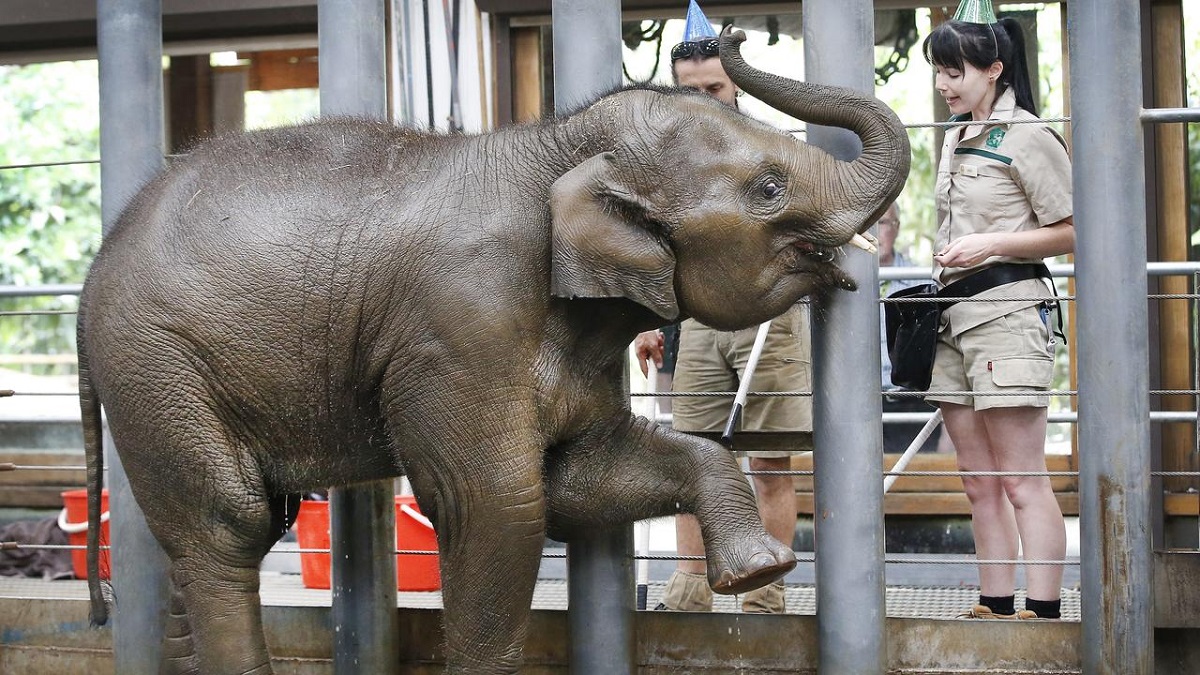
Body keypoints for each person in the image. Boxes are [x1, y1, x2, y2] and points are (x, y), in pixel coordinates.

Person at [633, 0, 811, 615]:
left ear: (736, 83)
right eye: (692, 89)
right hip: (694, 322)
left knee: (769, 460)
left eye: (714, 86)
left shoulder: (771, 145)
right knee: (694, 458)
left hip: (769, 318)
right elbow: (654, 244)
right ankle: (689, 590)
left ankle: (765, 595)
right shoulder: (663, 158)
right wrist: (652, 320)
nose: (705, 97)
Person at [922, 0, 1074, 621]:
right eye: (938, 71)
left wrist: (994, 243)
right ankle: (994, 605)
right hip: (952, 319)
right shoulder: (955, 137)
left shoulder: (1031, 136)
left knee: (1021, 478)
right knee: (977, 480)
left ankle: (1042, 613)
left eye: (954, 71)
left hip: (1009, 314)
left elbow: (1071, 230)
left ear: (994, 69)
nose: (942, 84)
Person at [877, 201, 941, 454]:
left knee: (920, 484)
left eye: (881, 223)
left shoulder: (921, 283)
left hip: (911, 403)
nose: (874, 232)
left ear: (896, 227)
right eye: (868, 224)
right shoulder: (839, 288)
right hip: (857, 405)